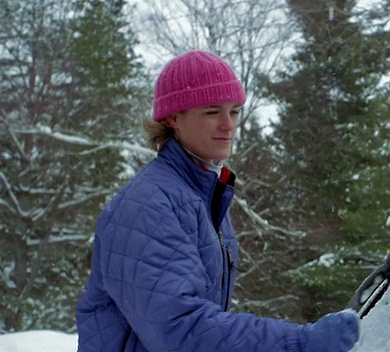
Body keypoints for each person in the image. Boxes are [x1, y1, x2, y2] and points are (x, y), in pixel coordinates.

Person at [75, 50, 360, 352]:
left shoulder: (203, 194)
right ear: (173, 118)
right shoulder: (147, 206)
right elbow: (182, 330)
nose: (228, 124)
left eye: (234, 111)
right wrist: (300, 343)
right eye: (212, 112)